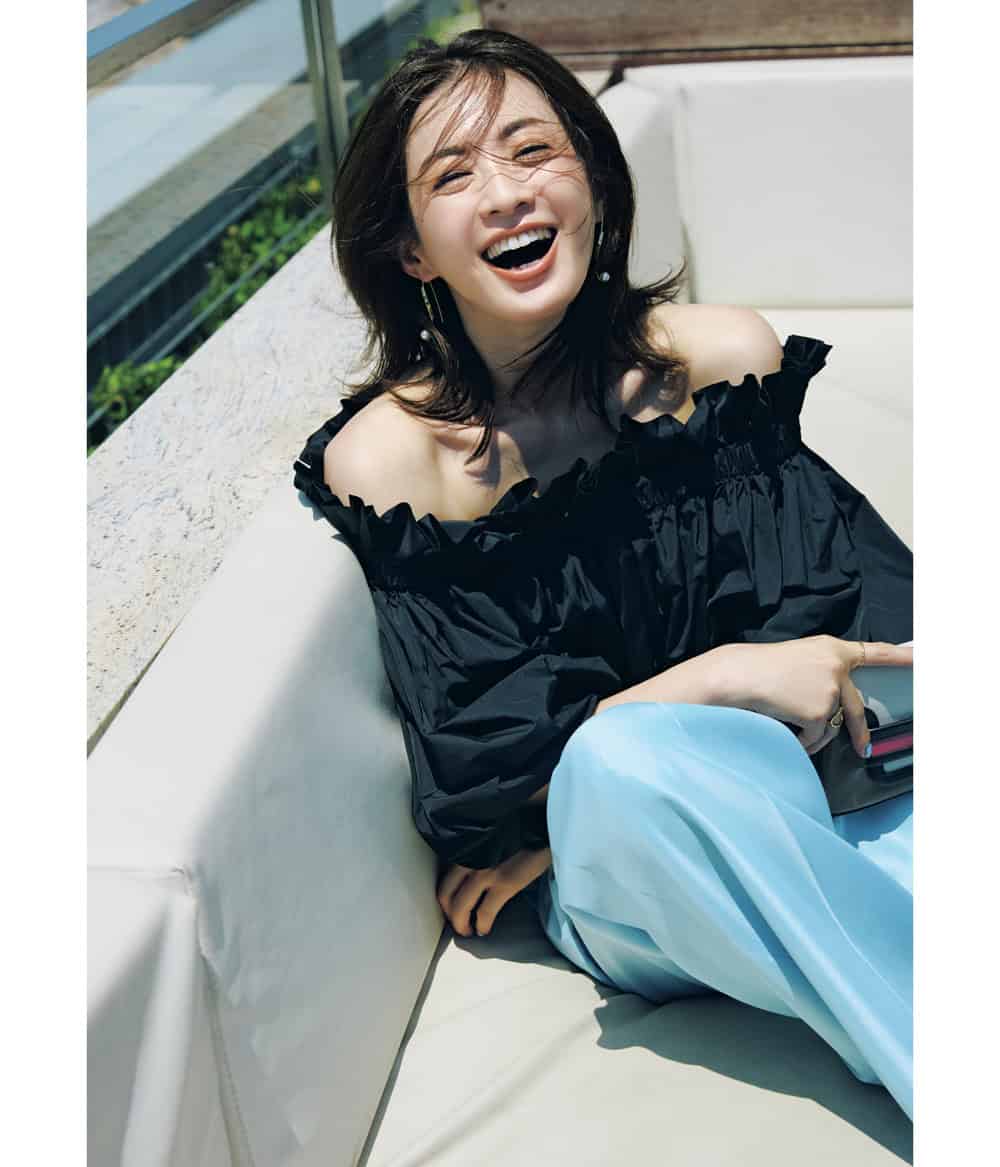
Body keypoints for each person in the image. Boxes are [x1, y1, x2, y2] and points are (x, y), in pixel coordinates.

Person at [292, 30, 913, 1117]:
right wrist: (721, 677)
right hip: (636, 864)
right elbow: (491, 782)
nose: (505, 193)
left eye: (534, 150)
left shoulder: (723, 360)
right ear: (411, 252)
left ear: (591, 179)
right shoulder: (396, 466)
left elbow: (863, 629)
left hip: (821, 788)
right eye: (453, 175)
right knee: (623, 770)